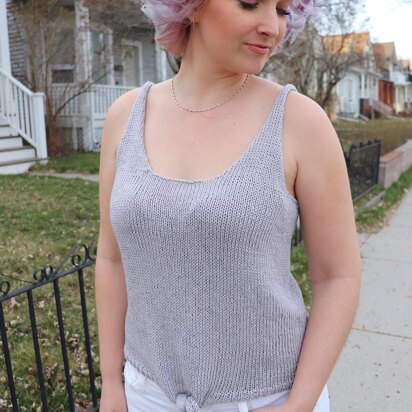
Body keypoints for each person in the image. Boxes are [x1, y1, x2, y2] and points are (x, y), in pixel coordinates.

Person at [95, 0, 361, 411]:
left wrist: (299, 404)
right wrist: (113, 383)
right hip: (145, 394)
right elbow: (112, 259)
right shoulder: (125, 117)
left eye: (283, 9)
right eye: (250, 3)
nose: (272, 26)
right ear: (192, 7)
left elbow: (337, 276)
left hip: (266, 398)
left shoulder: (300, 122)